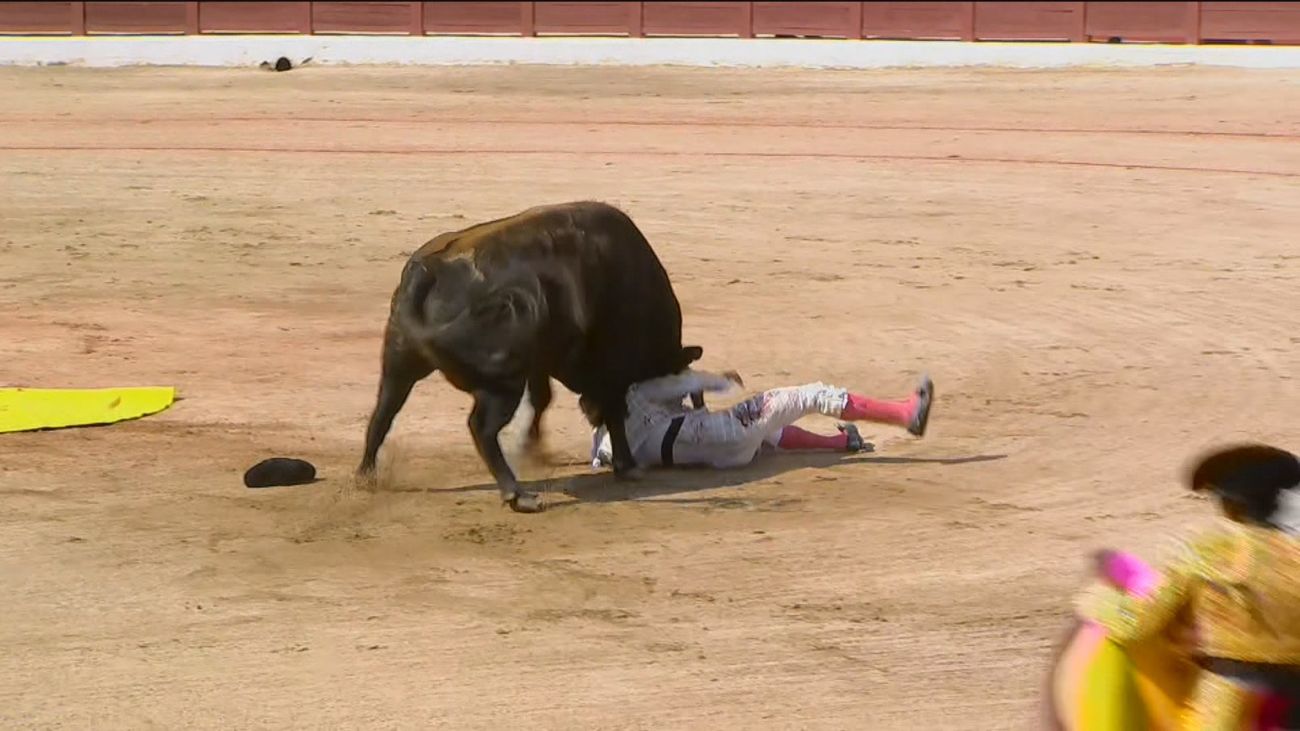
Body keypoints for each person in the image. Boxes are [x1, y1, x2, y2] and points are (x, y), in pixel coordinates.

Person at [1073, 443, 1300, 729]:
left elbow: (1136, 624)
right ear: (1280, 499)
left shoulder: (1210, 549)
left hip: (1234, 704)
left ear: (1228, 504)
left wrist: (1096, 600)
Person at [586, 369, 933, 471]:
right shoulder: (635, 393)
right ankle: (906, 414)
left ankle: (842, 442)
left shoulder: (604, 445)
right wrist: (719, 381)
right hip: (723, 435)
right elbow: (687, 384)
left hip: (721, 458)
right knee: (810, 395)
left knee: (767, 429)